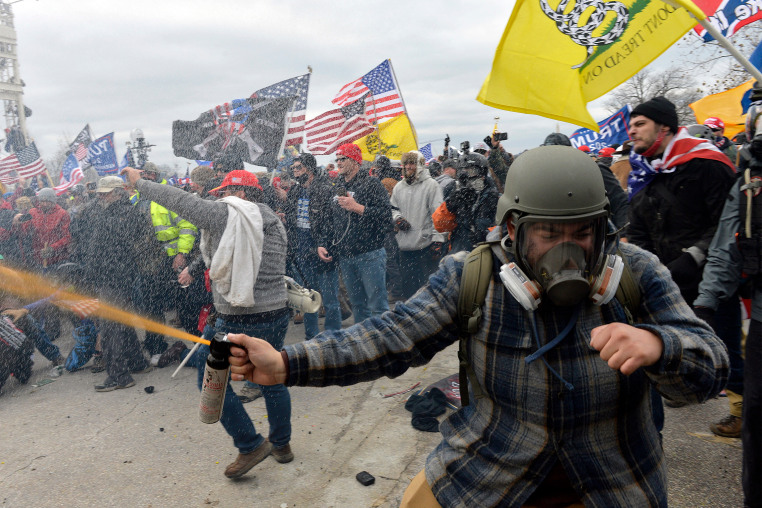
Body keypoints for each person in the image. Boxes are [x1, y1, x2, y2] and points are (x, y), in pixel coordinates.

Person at [224, 146, 728, 507]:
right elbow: (388, 335)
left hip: (616, 484)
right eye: (548, 233)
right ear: (512, 229)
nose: (568, 249)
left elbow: (711, 364)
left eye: (583, 233)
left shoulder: (635, 271)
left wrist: (661, 345)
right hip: (487, 479)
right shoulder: (474, 275)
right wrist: (289, 362)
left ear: (605, 228)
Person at [123, 165, 293, 478]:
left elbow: (184, 203)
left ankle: (249, 444)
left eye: (226, 193)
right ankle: (281, 444)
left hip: (241, 317)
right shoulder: (271, 219)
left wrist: (142, 184)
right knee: (271, 377)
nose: (221, 200)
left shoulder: (233, 214)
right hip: (274, 313)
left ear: (241, 194)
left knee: (210, 377)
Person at [627, 97, 736, 306]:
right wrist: (650, 267)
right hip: (664, 287)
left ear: (664, 127)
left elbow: (727, 223)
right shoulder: (642, 173)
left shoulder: (707, 163)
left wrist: (693, 257)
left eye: (640, 124)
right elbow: (637, 230)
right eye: (631, 126)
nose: (631, 132)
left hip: (710, 287)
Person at [82, 176, 153, 392]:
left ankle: (119, 375)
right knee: (120, 320)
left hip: (114, 275)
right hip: (111, 275)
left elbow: (120, 245)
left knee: (110, 326)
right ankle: (137, 362)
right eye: (100, 193)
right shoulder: (111, 212)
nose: (101, 196)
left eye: (106, 193)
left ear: (118, 192)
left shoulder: (123, 214)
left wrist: (99, 269)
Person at [316, 143, 392, 323]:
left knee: (377, 307)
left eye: (343, 159)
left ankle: (383, 346)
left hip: (370, 254)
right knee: (358, 305)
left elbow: (386, 217)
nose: (339, 163)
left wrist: (358, 208)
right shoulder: (338, 185)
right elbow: (330, 219)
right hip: (346, 256)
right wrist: (323, 243)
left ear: (355, 161)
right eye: (337, 159)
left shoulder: (372, 184)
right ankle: (364, 345)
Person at [283, 153, 342, 338]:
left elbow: (331, 222)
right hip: (301, 252)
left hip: (322, 251)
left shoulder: (325, 189)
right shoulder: (294, 191)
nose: (295, 171)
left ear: (309, 168)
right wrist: (284, 218)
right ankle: (311, 338)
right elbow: (293, 220)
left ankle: (333, 338)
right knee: (306, 300)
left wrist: (322, 243)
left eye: (298, 167)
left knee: (330, 300)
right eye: (293, 168)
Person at [391, 151, 444, 299]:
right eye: (406, 163)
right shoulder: (398, 187)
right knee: (408, 292)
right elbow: (393, 209)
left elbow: (438, 215)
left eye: (412, 163)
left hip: (425, 247)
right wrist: (398, 219)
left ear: (420, 165)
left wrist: (438, 240)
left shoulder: (431, 185)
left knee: (427, 292)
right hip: (405, 248)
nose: (408, 167)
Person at [432, 152, 499, 253]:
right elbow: (440, 225)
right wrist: (450, 205)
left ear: (482, 174)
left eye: (471, 171)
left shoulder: (494, 198)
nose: (467, 176)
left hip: (486, 256)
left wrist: (486, 234)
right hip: (458, 253)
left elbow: (505, 230)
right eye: (463, 172)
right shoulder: (459, 196)